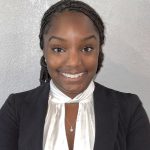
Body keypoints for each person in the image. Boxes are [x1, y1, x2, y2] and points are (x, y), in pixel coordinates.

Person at [0, 0, 150, 150]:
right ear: (44, 51)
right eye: (58, 49)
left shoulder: (129, 109)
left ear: (99, 51)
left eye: (87, 48)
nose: (73, 63)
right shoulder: (16, 109)